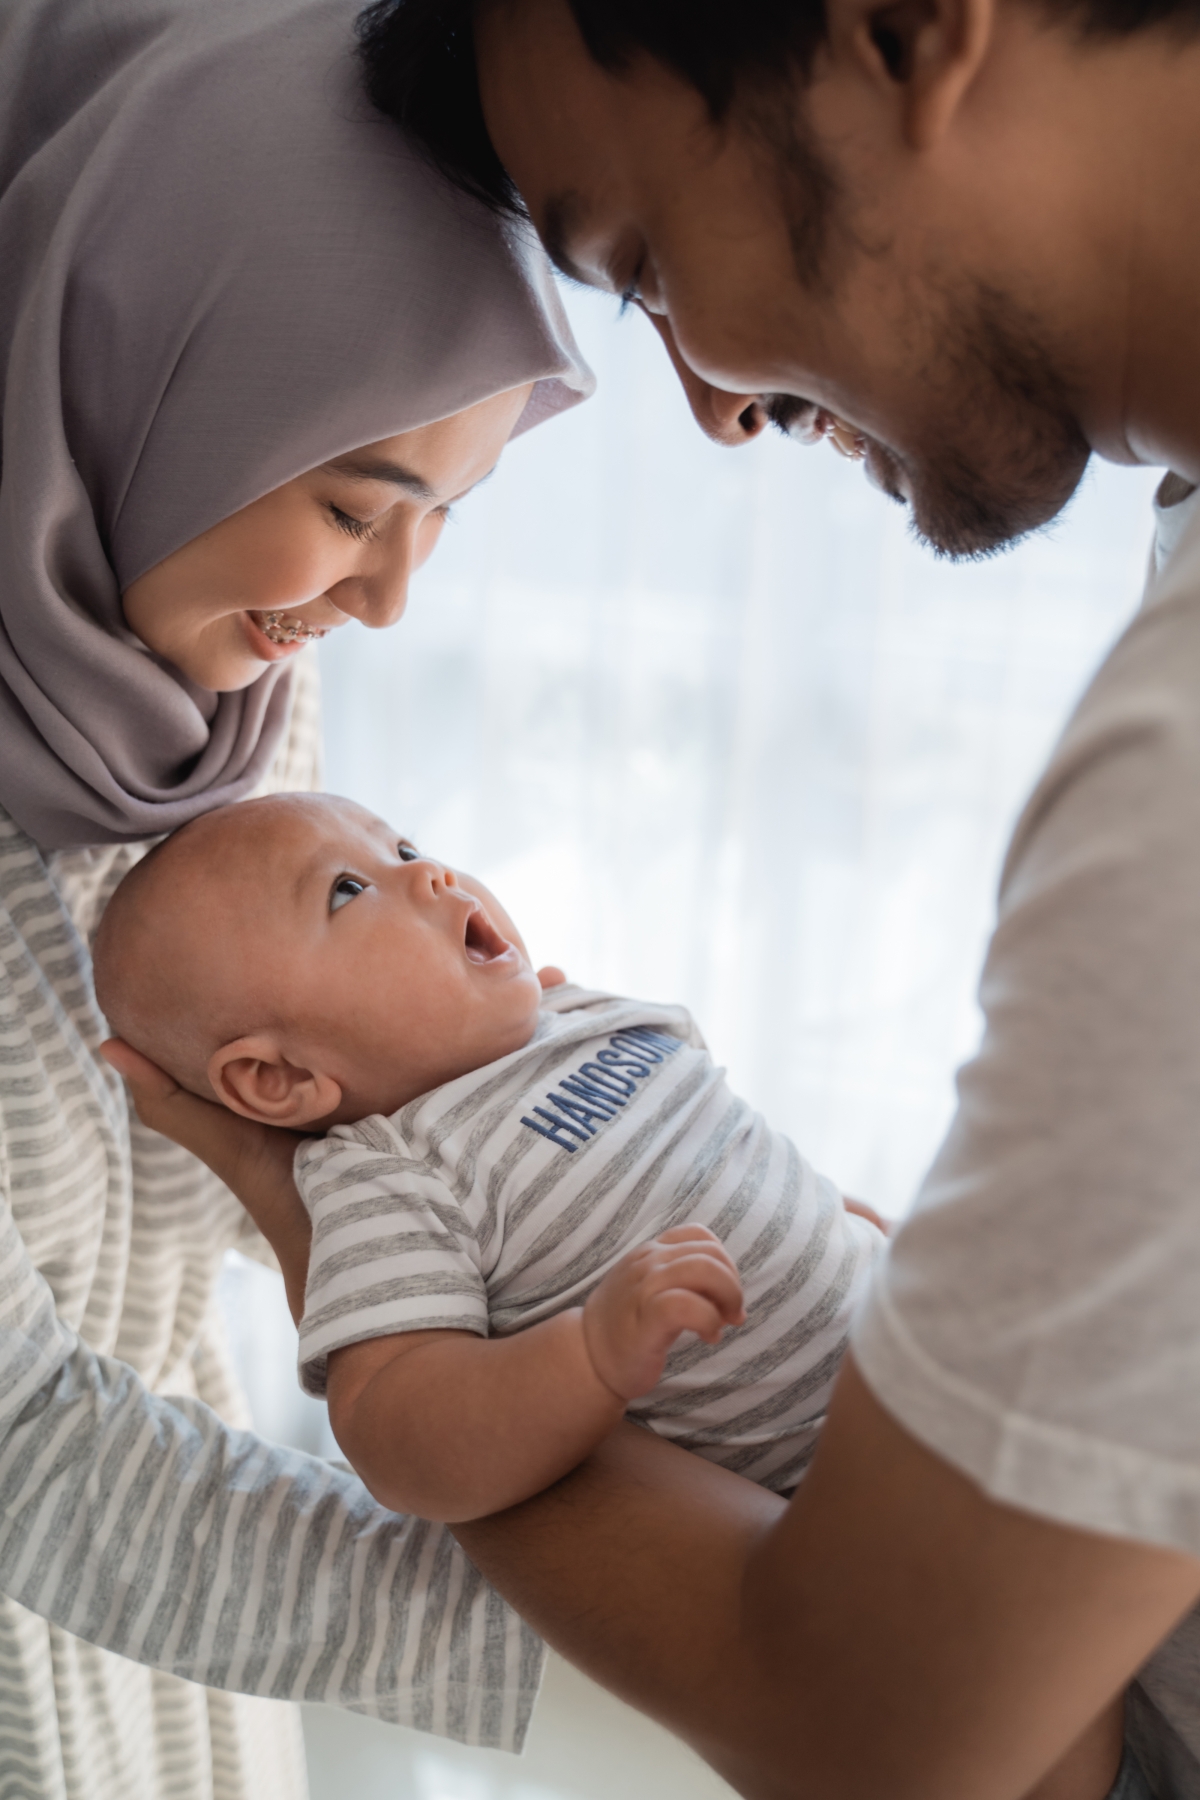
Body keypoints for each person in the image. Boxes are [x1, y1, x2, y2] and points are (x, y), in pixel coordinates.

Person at [108, 2, 1200, 1798]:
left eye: (645, 258)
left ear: (909, 29)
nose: (706, 402)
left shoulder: (1173, 773)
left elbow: (879, 1736)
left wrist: (309, 1233)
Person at [0, 0, 592, 1795]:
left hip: (178, 1656)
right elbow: (33, 1458)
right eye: (354, 504)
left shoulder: (222, 690)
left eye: (442, 521)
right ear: (137, 351)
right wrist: (691, 1650)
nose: (390, 598)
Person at [91, 791, 884, 1517]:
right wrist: (587, 1354)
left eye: (403, 849)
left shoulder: (575, 1010)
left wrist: (846, 1225)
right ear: (280, 1076)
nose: (432, 873)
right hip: (829, 1478)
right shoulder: (389, 1173)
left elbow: (728, 1145)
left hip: (912, 1335)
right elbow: (395, 1433)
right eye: (347, 890)